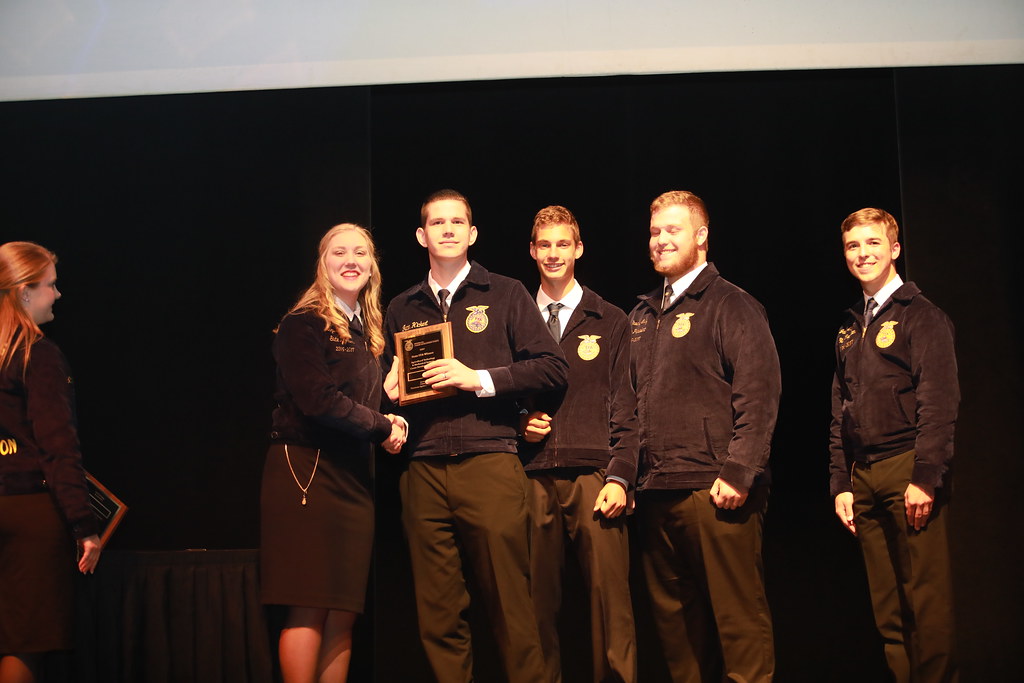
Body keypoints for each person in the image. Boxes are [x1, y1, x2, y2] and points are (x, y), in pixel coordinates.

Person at [382, 189, 568, 683]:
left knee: (513, 608)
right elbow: (386, 389)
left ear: (472, 233)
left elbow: (552, 367)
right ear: (421, 236)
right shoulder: (401, 306)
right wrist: (388, 391)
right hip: (422, 469)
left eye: (456, 221)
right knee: (438, 616)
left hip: (490, 463)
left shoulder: (505, 293)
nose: (446, 229)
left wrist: (479, 379)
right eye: (436, 222)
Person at [629, 191, 780, 682]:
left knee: (738, 626)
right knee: (678, 634)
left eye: (672, 230)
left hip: (716, 493)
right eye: (655, 232)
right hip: (656, 493)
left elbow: (758, 394)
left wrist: (739, 472)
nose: (661, 240)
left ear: (701, 236)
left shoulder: (731, 304)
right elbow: (627, 404)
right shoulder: (642, 315)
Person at [260, 223, 406, 683]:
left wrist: (394, 400)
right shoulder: (302, 324)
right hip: (305, 469)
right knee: (309, 606)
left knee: (344, 609)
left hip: (352, 476)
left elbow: (363, 403)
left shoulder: (370, 333)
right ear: (322, 264)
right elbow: (319, 401)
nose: (351, 260)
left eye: (360, 252)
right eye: (339, 251)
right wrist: (383, 426)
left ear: (372, 265)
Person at [829, 208, 959, 683]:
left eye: (872, 244)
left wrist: (926, 477)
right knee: (888, 612)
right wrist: (841, 481)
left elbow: (939, 402)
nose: (862, 254)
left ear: (894, 248)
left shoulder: (921, 316)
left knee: (927, 606)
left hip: (908, 470)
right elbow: (839, 409)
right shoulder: (849, 327)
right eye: (852, 246)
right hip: (864, 476)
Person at [519, 205, 638, 683]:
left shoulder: (610, 319)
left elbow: (629, 409)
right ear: (532, 250)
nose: (553, 254)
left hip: (594, 475)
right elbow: (495, 397)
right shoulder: (516, 317)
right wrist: (518, 423)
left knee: (611, 606)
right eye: (544, 245)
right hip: (529, 476)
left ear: (578, 249)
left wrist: (621, 476)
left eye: (562, 244)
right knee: (533, 607)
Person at [0, 241, 101, 683]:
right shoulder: (36, 354)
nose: (57, 295)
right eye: (51, 286)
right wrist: (84, 525)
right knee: (25, 643)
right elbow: (58, 446)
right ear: (24, 292)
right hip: (27, 510)